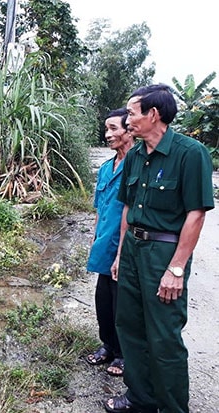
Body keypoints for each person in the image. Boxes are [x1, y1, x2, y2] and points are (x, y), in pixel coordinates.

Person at [104, 84, 215, 413]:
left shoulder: (190, 153)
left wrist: (176, 268)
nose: (127, 120)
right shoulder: (136, 155)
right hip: (133, 251)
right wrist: (121, 254)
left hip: (163, 255)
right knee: (130, 326)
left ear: (153, 114)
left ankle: (171, 407)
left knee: (164, 335)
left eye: (132, 113)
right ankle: (140, 398)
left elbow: (196, 214)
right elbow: (127, 209)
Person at [86, 108, 134, 377]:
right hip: (105, 244)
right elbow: (99, 209)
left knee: (123, 303)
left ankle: (124, 354)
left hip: (126, 246)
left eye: (114, 128)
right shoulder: (106, 168)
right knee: (103, 299)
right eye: (106, 129)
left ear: (130, 130)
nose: (108, 134)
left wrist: (121, 252)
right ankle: (107, 345)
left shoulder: (138, 166)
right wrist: (95, 239)